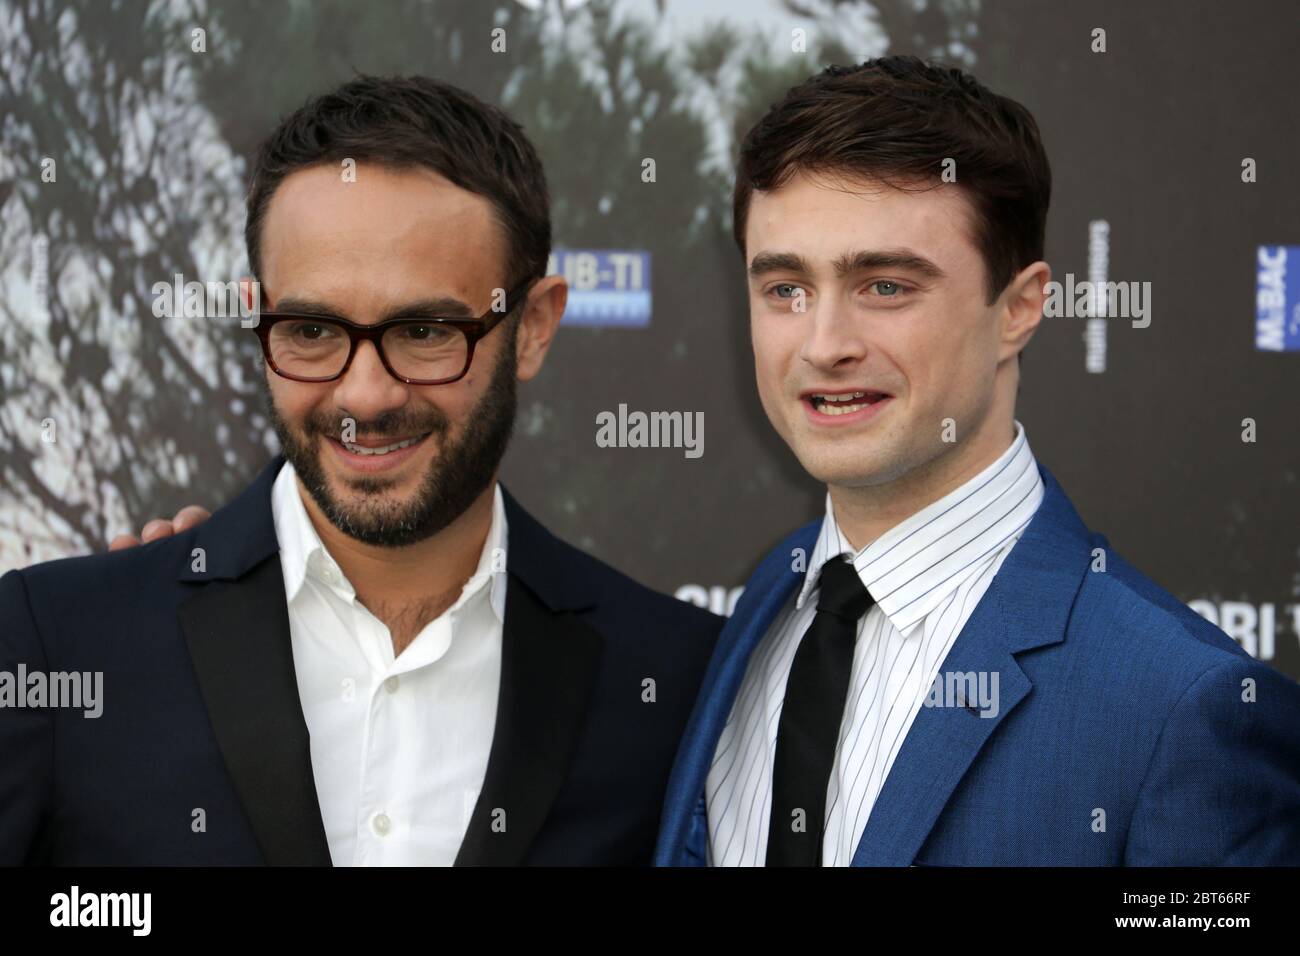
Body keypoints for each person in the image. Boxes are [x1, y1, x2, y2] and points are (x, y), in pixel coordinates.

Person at [0, 75, 720, 866]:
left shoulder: (679, 681)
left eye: (424, 332)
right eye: (311, 329)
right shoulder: (62, 648)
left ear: (535, 326)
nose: (364, 397)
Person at [655, 57, 1300, 866]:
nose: (824, 346)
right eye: (785, 288)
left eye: (885, 286)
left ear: (1020, 309)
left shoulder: (1183, 708)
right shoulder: (767, 610)